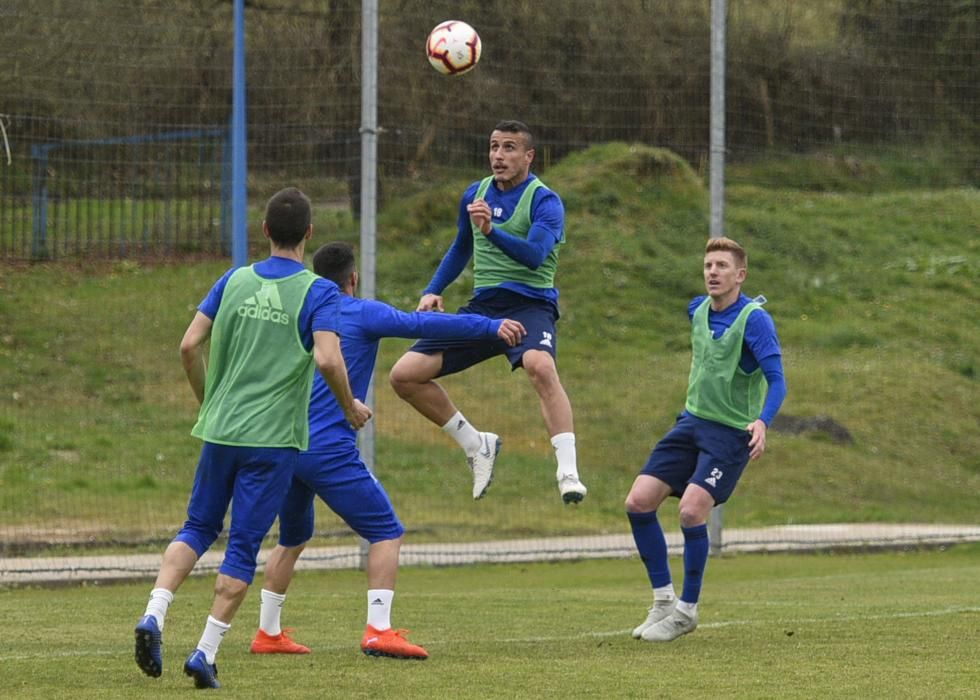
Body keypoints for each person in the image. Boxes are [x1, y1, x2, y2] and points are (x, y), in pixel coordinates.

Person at [133, 188, 372, 689]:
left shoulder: (234, 279)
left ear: (263, 231)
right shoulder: (319, 292)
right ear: (309, 233)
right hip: (273, 440)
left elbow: (188, 344)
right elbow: (329, 358)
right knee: (242, 545)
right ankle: (204, 652)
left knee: (197, 527)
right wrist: (349, 405)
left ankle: (154, 614)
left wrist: (209, 400)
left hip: (221, 430)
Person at [249, 241, 526, 660]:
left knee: (293, 537)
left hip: (286, 443)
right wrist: (489, 327)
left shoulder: (299, 316)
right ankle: (379, 629)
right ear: (353, 279)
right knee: (386, 531)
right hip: (329, 450)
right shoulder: (362, 311)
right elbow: (422, 327)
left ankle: (267, 633)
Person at [389, 119, 586, 504]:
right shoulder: (476, 194)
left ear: (529, 156)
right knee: (403, 376)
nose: (499, 155)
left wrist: (493, 230)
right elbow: (462, 246)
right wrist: (433, 290)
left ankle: (568, 472)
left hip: (531, 305)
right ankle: (477, 444)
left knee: (541, 366)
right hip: (485, 309)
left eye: (509, 148)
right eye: (494, 147)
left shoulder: (546, 201)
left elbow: (534, 256)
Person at [625, 237, 787, 643]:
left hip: (731, 434)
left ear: (740, 275)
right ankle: (663, 600)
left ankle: (686, 611)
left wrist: (762, 421)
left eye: (721, 266)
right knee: (638, 502)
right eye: (708, 265)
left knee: (691, 512)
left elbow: (777, 381)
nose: (712, 272)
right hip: (691, 424)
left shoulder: (754, 319)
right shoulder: (696, 310)